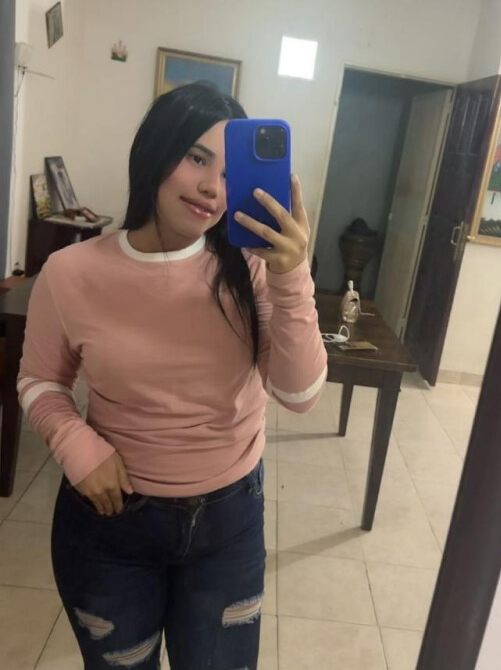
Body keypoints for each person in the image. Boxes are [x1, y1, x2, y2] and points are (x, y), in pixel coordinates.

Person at [18, 82, 328, 670]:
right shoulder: (70, 272)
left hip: (229, 525)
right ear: (155, 153)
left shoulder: (252, 270)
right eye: (195, 158)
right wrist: (76, 445)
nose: (213, 187)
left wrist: (292, 276)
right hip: (110, 527)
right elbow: (40, 381)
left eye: (229, 172)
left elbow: (299, 393)